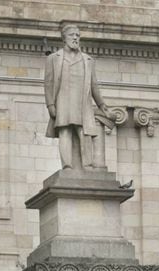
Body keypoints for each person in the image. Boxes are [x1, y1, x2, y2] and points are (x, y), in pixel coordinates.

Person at [44, 24, 115, 170]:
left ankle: (87, 164)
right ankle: (67, 166)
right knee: (64, 131)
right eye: (72, 35)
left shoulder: (88, 60)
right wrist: (50, 105)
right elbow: (49, 83)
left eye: (78, 35)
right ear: (64, 39)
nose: (75, 38)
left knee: (84, 132)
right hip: (63, 101)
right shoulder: (53, 58)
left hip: (82, 102)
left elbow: (94, 84)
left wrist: (102, 105)